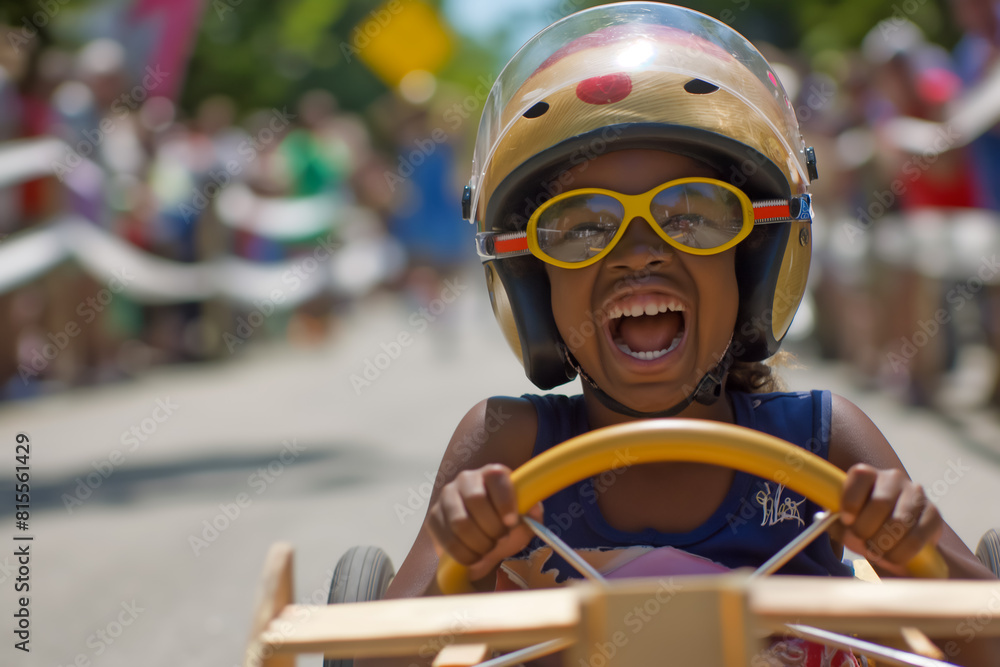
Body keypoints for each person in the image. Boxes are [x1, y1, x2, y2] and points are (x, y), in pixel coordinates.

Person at [378, 3, 998, 664]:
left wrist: (913, 549)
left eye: (693, 215)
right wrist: (460, 559)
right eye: (584, 226)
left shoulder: (823, 444)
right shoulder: (504, 451)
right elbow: (378, 657)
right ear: (533, 282)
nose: (638, 252)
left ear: (753, 263)